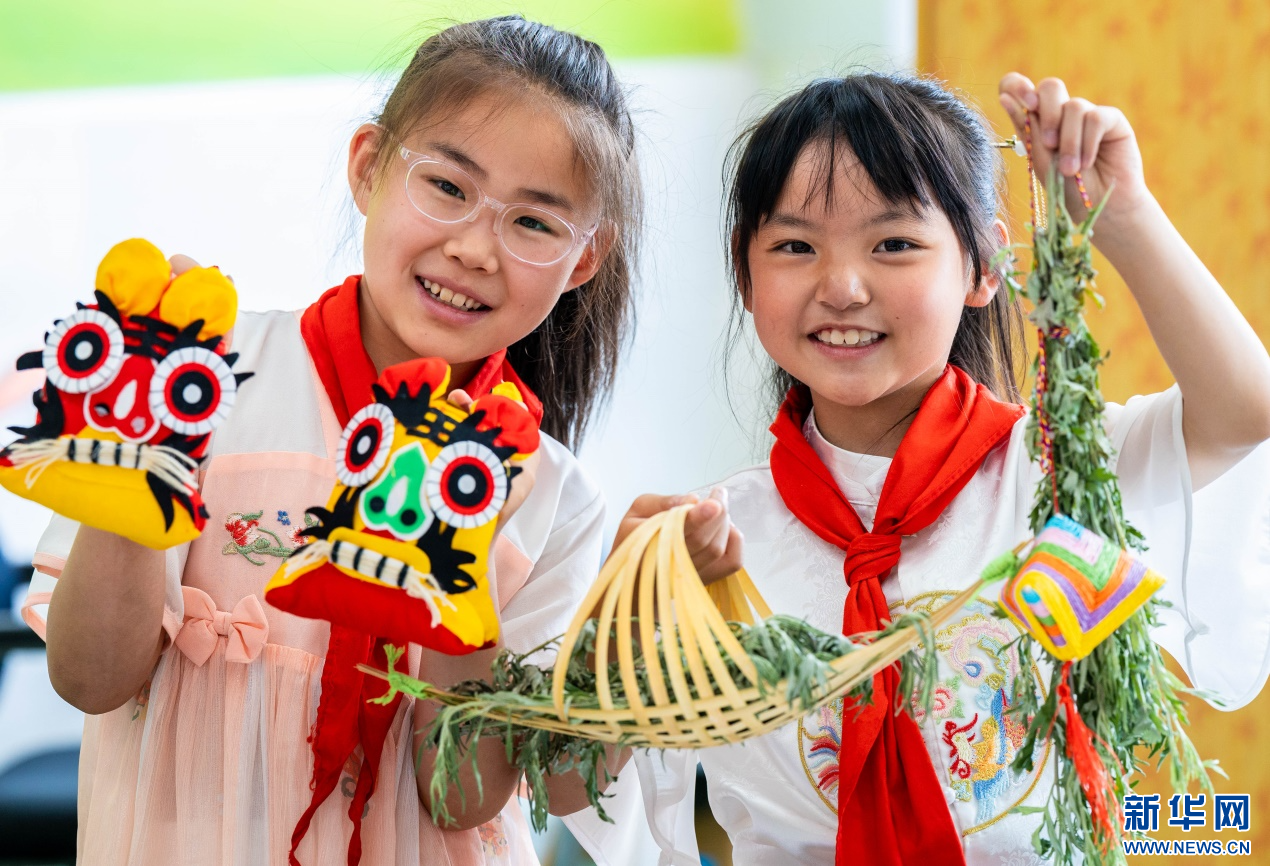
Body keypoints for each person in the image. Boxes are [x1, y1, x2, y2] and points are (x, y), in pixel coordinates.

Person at [16, 16, 733, 866]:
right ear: (369, 167)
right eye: (448, 186)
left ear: (584, 259)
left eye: (534, 224)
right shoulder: (210, 377)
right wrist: (140, 454)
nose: (474, 248)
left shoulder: (551, 496)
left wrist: (461, 559)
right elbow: (91, 678)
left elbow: (459, 796)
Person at [608, 71, 1270, 866]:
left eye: (893, 244)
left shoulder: (1061, 475)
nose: (842, 287)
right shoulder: (713, 541)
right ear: (745, 275)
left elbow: (1245, 411)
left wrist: (1124, 217)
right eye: (795, 246)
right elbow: (592, 783)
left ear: (983, 266)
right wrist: (623, 616)